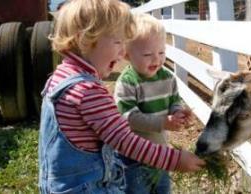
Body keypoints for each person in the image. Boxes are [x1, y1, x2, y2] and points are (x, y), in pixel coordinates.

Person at [38, 1, 205, 193]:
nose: (122, 51)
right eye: (118, 41)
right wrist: (173, 159)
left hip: (58, 185)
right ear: (85, 39)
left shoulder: (59, 77)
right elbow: (125, 142)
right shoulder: (88, 91)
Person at [113, 13, 193, 194]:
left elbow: (174, 101)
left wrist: (178, 113)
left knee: (162, 189)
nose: (156, 59)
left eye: (162, 52)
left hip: (160, 154)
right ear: (127, 54)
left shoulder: (167, 77)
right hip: (132, 158)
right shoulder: (127, 82)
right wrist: (163, 123)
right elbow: (129, 118)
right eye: (148, 54)